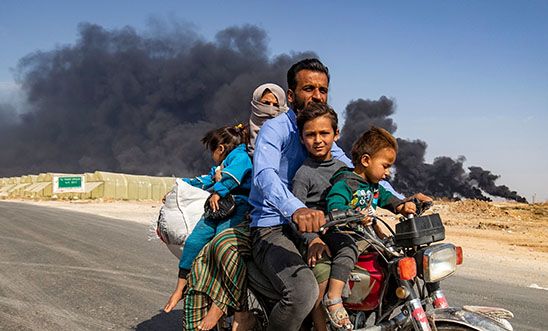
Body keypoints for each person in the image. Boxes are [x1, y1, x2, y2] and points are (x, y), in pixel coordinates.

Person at [170, 83, 288, 331]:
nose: (269, 110)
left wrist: (219, 188)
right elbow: (213, 176)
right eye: (264, 103)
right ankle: (184, 289)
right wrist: (185, 185)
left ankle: (228, 309)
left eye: (275, 105)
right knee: (201, 252)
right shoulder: (244, 148)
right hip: (237, 210)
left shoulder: (290, 141)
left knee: (224, 245)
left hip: (264, 218)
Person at [249, 58, 353, 330]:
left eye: (323, 90)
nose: (317, 96)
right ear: (292, 95)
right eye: (309, 88)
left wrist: (401, 201)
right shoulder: (276, 129)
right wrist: (295, 208)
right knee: (302, 293)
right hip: (273, 226)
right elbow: (264, 175)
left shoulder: (320, 132)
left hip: (315, 222)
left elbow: (353, 172)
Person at [318, 127, 417, 330]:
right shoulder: (345, 183)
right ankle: (334, 298)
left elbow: (388, 199)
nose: (387, 172)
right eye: (385, 166)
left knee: (394, 258)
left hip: (366, 236)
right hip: (342, 233)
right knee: (348, 251)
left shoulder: (373, 186)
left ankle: (386, 303)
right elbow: (334, 204)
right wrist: (346, 212)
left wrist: (402, 205)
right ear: (365, 160)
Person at [163, 124, 252, 328]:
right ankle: (180, 287)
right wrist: (179, 188)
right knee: (194, 241)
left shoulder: (241, 156)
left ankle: (220, 305)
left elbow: (235, 176)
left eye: (212, 151)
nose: (212, 156)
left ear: (220, 148)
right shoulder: (219, 168)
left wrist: (219, 190)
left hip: (237, 207)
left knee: (221, 245)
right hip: (217, 209)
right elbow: (204, 180)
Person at [290, 102, 347, 330]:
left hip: (341, 233)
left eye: (324, 133)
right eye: (310, 134)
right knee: (322, 274)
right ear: (302, 138)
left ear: (336, 134)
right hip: (314, 239)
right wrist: (311, 239)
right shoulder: (303, 175)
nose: (318, 139)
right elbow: (295, 216)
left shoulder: (344, 169)